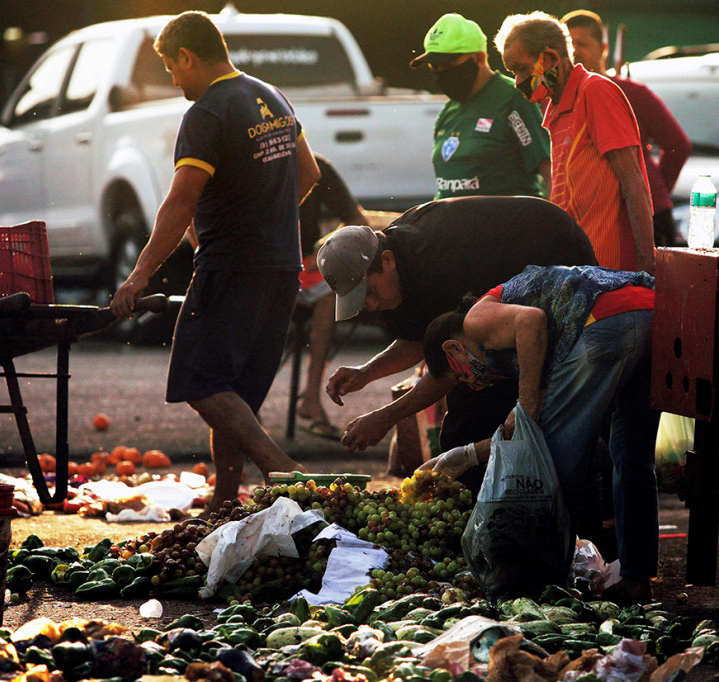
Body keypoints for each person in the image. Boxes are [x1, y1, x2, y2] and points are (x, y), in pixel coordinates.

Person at [111, 11, 321, 515]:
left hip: (231, 265)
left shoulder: (208, 111)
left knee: (201, 383)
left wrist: (139, 275)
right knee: (235, 394)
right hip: (280, 265)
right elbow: (309, 173)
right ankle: (225, 501)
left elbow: (180, 203)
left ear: (187, 55)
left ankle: (282, 470)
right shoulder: (270, 95)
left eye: (171, 67)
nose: (173, 78)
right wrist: (262, 217)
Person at [317, 196, 597, 488]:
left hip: (558, 260)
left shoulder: (436, 266)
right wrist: (367, 372)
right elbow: (418, 339)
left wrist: (385, 418)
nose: (371, 305)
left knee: (487, 419)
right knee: (471, 427)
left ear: (387, 261)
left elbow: (451, 368)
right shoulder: (395, 258)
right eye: (362, 301)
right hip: (502, 290)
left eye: (371, 292)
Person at [419, 264, 659, 604]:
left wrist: (527, 407)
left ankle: (549, 585)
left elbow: (530, 320)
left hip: (602, 322)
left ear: (453, 350)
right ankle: (637, 578)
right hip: (651, 314)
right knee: (632, 456)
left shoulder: (477, 320)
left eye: (462, 377)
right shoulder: (511, 333)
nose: (472, 385)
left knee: (559, 462)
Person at [495, 12, 655, 274]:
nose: (517, 82)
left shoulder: (595, 91)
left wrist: (647, 264)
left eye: (522, 69)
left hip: (610, 274)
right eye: (513, 73)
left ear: (550, 58)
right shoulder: (554, 111)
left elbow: (633, 180)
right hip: (576, 273)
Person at [561, 10, 691, 247]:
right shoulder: (560, 102)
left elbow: (678, 145)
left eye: (581, 43)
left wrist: (654, 191)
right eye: (569, 45)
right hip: (592, 220)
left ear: (603, 49)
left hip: (647, 215)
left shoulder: (632, 93)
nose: (575, 52)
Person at [410, 13, 550, 199]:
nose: (442, 73)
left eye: (448, 64)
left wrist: (555, 224)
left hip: (508, 223)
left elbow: (550, 172)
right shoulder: (448, 111)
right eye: (435, 67)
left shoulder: (513, 100)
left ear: (479, 58)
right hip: (455, 225)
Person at [295, 154, 370, 441]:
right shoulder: (248, 163)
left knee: (329, 295)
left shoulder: (313, 166)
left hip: (305, 268)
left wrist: (324, 250)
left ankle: (311, 398)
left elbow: (356, 219)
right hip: (262, 265)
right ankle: (249, 406)